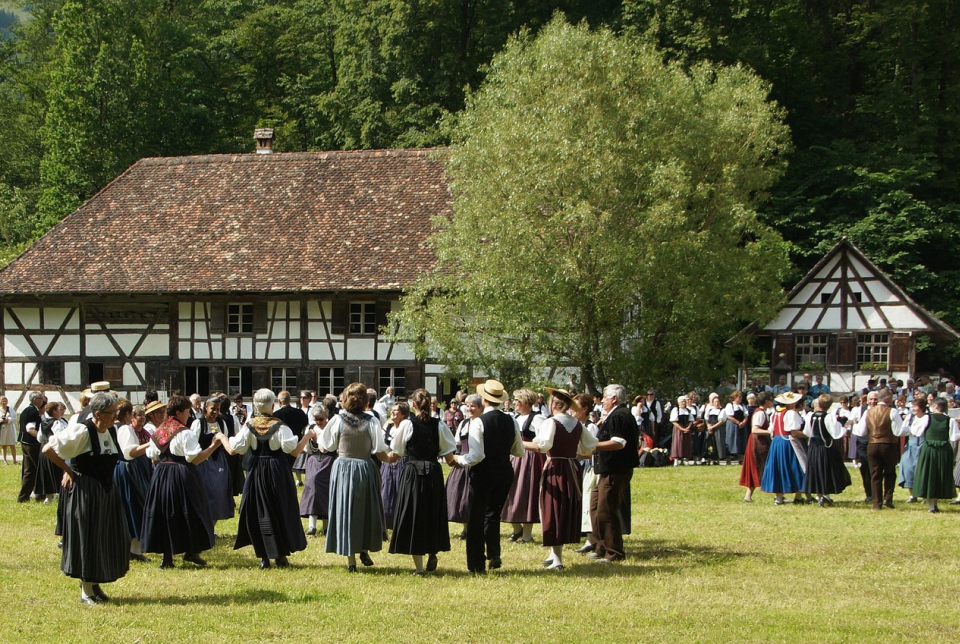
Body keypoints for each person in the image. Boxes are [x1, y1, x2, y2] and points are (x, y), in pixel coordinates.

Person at [42, 391, 129, 605]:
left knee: (104, 538)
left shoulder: (110, 431)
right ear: (98, 414)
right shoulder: (82, 430)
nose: (115, 418)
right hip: (86, 492)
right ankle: (86, 591)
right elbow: (48, 449)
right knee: (88, 538)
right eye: (112, 413)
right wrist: (69, 471)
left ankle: (96, 583)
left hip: (106, 491)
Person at [224, 388, 313, 568]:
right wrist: (308, 436)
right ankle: (280, 555)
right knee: (280, 508)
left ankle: (264, 556)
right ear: (272, 405)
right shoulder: (280, 425)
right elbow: (293, 450)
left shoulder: (249, 425)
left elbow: (235, 449)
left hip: (256, 469)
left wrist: (221, 438)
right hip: (277, 470)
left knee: (259, 510)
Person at [140, 394, 221, 569]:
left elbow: (153, 455)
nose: (188, 415)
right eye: (186, 412)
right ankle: (191, 551)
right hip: (183, 474)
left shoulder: (160, 430)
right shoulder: (185, 432)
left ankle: (167, 557)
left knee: (165, 513)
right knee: (190, 511)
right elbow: (195, 459)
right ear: (178, 412)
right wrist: (214, 446)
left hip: (162, 474)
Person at [319, 382, 391, 572]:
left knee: (346, 511)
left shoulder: (337, 420)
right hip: (365, 468)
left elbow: (326, 446)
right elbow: (379, 449)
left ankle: (351, 561)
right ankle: (363, 549)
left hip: (343, 468)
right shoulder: (372, 421)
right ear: (365, 401)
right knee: (365, 510)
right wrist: (394, 457)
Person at [456, 380, 524, 574]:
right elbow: (519, 451)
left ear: (484, 399)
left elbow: (476, 455)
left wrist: (459, 460)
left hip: (484, 472)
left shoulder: (478, 422)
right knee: (493, 515)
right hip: (504, 471)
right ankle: (494, 554)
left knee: (476, 518)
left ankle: (476, 564)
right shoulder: (511, 420)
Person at [388, 388, 457, 574]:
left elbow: (397, 451)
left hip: (413, 473)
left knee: (414, 516)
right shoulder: (440, 425)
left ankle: (419, 568)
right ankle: (433, 551)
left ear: (413, 404)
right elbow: (449, 453)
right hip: (433, 471)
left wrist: (384, 457)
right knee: (433, 512)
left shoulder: (406, 425)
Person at [531, 388, 598, 571]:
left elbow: (543, 446)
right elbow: (589, 447)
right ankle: (554, 554)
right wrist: (572, 453)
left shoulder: (551, 422)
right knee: (564, 507)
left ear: (554, 404)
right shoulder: (577, 424)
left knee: (553, 508)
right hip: (572, 468)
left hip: (556, 468)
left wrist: (518, 444)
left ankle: (558, 559)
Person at [584, 384, 639, 563]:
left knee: (607, 511)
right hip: (606, 469)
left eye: (605, 397)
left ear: (614, 398)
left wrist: (593, 446)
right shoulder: (613, 415)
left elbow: (619, 442)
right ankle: (601, 546)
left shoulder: (620, 416)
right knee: (596, 509)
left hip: (616, 470)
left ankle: (614, 552)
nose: (602, 401)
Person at [500, 388, 545, 544]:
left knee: (526, 493)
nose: (514, 403)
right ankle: (516, 529)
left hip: (529, 460)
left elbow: (541, 443)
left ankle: (527, 534)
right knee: (509, 492)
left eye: (517, 400)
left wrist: (520, 444)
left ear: (526, 402)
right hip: (514, 458)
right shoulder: (515, 417)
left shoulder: (537, 419)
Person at [852, 388, 907, 510]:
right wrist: (910, 429)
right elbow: (898, 431)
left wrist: (854, 427)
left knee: (875, 475)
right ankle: (888, 498)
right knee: (890, 473)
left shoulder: (868, 412)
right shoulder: (892, 411)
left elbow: (861, 432)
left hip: (872, 444)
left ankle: (876, 503)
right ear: (887, 398)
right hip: (888, 445)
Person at [113, 400, 153, 562]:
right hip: (129, 469)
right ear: (128, 415)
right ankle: (134, 550)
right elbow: (130, 452)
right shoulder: (124, 429)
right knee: (135, 505)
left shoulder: (113, 428)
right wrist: (152, 442)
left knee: (129, 506)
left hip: (123, 469)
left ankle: (129, 548)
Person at [190, 396, 237, 529]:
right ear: (206, 408)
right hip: (202, 462)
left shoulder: (221, 423)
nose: (215, 412)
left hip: (218, 462)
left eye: (217, 409)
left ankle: (211, 527)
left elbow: (226, 440)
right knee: (203, 494)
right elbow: (193, 443)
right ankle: (201, 527)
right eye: (212, 409)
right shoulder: (198, 423)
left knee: (219, 493)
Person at [912, 398, 960, 513]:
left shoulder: (926, 418)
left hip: (929, 449)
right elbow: (955, 437)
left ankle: (932, 506)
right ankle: (934, 504)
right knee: (939, 476)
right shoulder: (950, 421)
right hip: (943, 450)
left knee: (929, 475)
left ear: (935, 406)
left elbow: (916, 432)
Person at [802, 394, 850, 506]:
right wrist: (844, 428)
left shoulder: (810, 416)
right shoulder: (829, 417)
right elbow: (836, 433)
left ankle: (820, 496)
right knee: (826, 469)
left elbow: (807, 432)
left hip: (814, 446)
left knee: (816, 469)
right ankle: (825, 495)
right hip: (825, 446)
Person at [760, 392, 807, 505]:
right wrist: (807, 435)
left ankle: (779, 497)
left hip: (776, 442)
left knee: (779, 468)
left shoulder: (775, 414)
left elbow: (772, 430)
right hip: (788, 441)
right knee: (797, 466)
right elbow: (793, 431)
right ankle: (798, 495)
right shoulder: (791, 413)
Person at [299, 400, 336, 537]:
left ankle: (327, 527)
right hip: (314, 460)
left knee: (326, 492)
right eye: (316, 419)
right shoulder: (310, 428)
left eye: (321, 419)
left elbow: (328, 448)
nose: (318, 421)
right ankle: (311, 526)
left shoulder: (331, 428)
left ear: (326, 417)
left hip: (329, 461)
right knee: (311, 490)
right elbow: (306, 449)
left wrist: (319, 438)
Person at [380, 402, 409, 530]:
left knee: (400, 492)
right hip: (387, 463)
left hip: (402, 463)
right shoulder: (387, 427)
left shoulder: (407, 427)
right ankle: (386, 523)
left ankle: (401, 523)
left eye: (396, 410)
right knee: (385, 493)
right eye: (392, 410)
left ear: (403, 414)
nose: (392, 412)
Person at [739, 392, 772, 502]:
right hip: (758, 442)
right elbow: (755, 429)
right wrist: (770, 431)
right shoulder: (760, 413)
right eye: (770, 400)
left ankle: (748, 496)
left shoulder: (762, 412)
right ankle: (778, 494)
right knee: (762, 466)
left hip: (759, 441)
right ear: (766, 401)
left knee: (760, 467)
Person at [35, 401, 65, 502]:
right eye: (58, 409)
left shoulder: (43, 423)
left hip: (44, 448)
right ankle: (60, 494)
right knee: (58, 470)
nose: (60, 411)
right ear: (55, 411)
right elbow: (59, 436)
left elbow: (39, 438)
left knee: (47, 471)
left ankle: (49, 496)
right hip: (54, 449)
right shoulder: (57, 423)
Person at [898, 397, 926, 502]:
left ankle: (924, 495)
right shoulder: (910, 417)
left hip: (923, 444)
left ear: (921, 407)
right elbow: (902, 431)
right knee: (908, 468)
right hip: (911, 444)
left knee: (922, 470)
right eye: (912, 406)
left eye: (915, 406)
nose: (913, 408)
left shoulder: (927, 418)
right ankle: (912, 494)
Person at [722, 390, 749, 465]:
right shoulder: (730, 405)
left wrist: (743, 422)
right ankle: (729, 457)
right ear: (735, 397)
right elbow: (729, 416)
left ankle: (741, 458)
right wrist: (738, 422)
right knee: (732, 440)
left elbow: (746, 415)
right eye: (739, 397)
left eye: (741, 397)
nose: (740, 398)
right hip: (733, 425)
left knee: (741, 440)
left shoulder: (742, 406)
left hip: (742, 425)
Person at [669, 395, 694, 466]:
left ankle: (685, 459)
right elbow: (674, 421)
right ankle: (676, 460)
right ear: (679, 402)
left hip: (686, 428)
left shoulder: (688, 410)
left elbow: (691, 420)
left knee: (686, 443)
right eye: (682, 402)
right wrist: (682, 429)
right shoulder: (676, 409)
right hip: (678, 428)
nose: (683, 403)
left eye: (684, 402)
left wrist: (688, 427)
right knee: (678, 443)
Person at [0, 396, 17, 465]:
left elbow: (15, 418)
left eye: (5, 401)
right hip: (2, 429)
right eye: (3, 401)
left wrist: (8, 420)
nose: (4, 402)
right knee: (4, 445)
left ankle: (14, 460)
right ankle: (5, 460)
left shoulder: (11, 409)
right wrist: (1, 420)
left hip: (10, 429)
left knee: (12, 445)